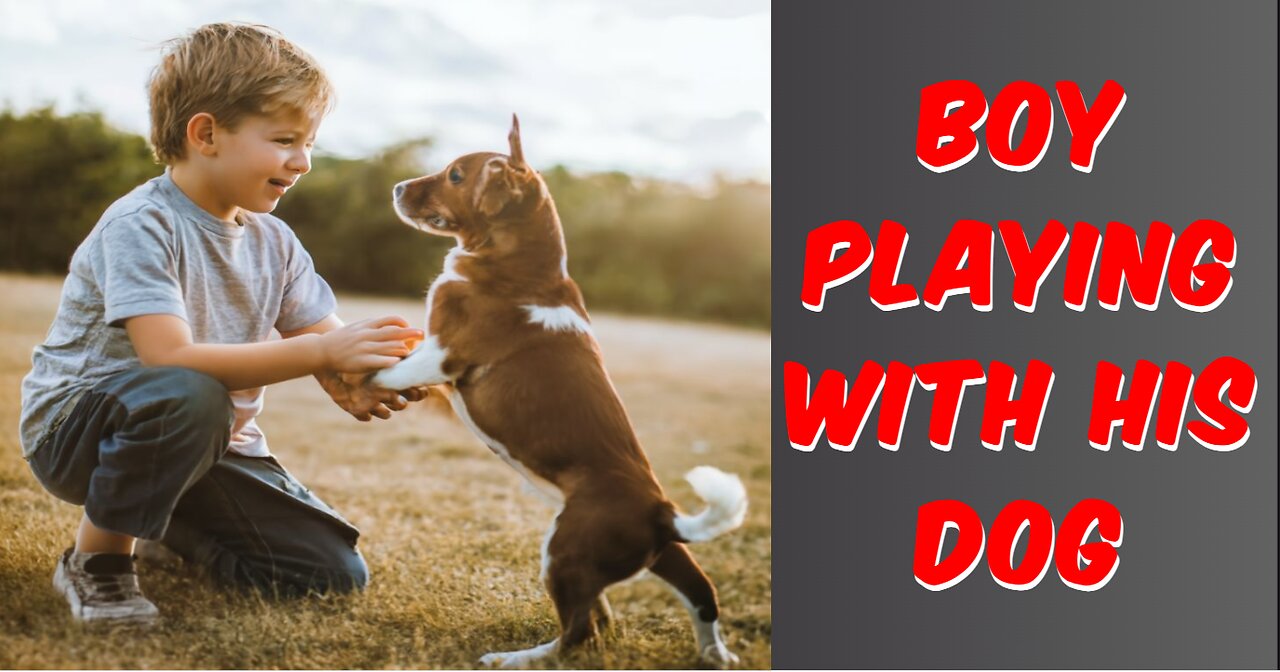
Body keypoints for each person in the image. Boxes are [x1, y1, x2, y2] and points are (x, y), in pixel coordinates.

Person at [18, 22, 421, 625]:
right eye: (285, 139)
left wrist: (358, 376)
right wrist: (323, 356)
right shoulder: (142, 224)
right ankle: (96, 563)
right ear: (206, 133)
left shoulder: (276, 242)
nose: (303, 161)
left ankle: (157, 522)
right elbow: (168, 359)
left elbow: (324, 339)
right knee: (193, 392)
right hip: (79, 432)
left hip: (206, 440)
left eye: (309, 143)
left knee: (329, 576)